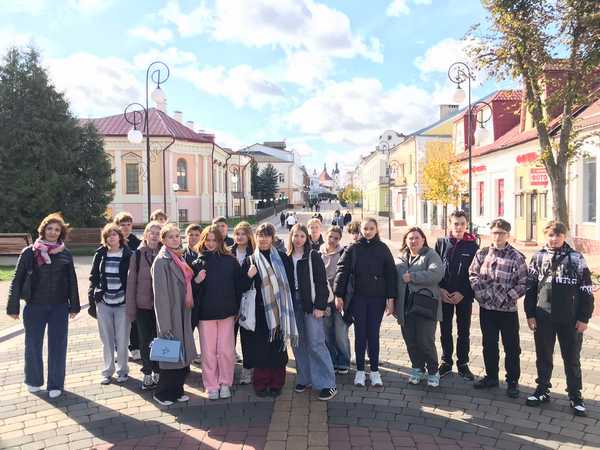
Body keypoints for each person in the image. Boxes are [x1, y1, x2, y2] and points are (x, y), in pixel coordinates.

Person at [524, 221, 594, 417]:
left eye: (558, 235)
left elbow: (587, 291)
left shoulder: (576, 258)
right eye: (550, 235)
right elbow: (530, 288)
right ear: (546, 236)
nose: (554, 239)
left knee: (572, 358)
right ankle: (542, 390)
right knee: (543, 356)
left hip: (570, 319)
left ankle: (575, 396)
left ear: (564, 236)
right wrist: (530, 314)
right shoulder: (538, 257)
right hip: (543, 316)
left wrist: (584, 318)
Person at [7, 213, 80, 399]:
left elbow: (72, 280)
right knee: (32, 344)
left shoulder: (65, 254)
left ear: (61, 232)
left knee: (58, 346)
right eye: (50, 228)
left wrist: (75, 306)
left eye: (57, 229)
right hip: (34, 306)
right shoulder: (29, 252)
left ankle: (55, 384)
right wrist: (13, 306)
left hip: (59, 307)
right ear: (43, 229)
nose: (53, 232)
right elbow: (17, 280)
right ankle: (33, 380)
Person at [333, 218, 397, 387]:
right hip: (358, 299)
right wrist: (338, 294)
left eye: (371, 228)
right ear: (360, 230)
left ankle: (375, 371)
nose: (368, 231)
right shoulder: (353, 248)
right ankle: (360, 371)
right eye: (365, 228)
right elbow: (342, 271)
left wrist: (391, 299)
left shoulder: (383, 248)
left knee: (373, 333)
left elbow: (391, 274)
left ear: (376, 230)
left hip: (377, 299)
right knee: (360, 334)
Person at [469, 218, 527, 398]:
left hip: (507, 311)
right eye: (495, 232)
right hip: (487, 309)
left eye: (501, 233)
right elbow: (473, 275)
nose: (498, 236)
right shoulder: (482, 253)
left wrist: (506, 297)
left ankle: (512, 381)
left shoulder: (516, 257)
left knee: (511, 347)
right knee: (489, 344)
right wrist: (483, 295)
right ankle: (492, 376)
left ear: (508, 235)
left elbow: (524, 283)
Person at [239, 223, 297, 397]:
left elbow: (290, 286)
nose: (263, 239)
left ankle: (277, 383)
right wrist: (248, 276)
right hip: (258, 313)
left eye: (267, 236)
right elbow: (240, 287)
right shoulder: (250, 260)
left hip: (279, 311)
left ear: (272, 238)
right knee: (261, 349)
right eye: (260, 235)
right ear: (255, 238)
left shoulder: (282, 258)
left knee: (278, 349)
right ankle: (261, 383)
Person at [191, 225, 241, 400]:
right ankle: (211, 385)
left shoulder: (230, 261)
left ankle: (225, 382)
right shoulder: (197, 263)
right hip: (205, 314)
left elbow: (238, 287)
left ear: (220, 241)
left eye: (214, 240)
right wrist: (196, 281)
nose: (211, 243)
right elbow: (190, 291)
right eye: (208, 240)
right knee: (208, 351)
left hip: (227, 312)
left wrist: (237, 309)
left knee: (226, 350)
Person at [288, 224, 337, 401]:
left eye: (302, 236)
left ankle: (327, 383)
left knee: (316, 342)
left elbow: (322, 282)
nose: (298, 239)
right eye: (296, 236)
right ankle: (305, 378)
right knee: (298, 342)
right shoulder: (286, 257)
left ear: (307, 238)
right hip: (293, 302)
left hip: (311, 303)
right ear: (291, 237)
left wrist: (320, 306)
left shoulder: (313, 256)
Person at [151, 223, 197, 406]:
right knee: (170, 356)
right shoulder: (162, 261)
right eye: (170, 236)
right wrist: (165, 325)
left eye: (177, 236)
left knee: (181, 355)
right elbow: (160, 296)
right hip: (170, 313)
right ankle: (162, 393)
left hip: (182, 310)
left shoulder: (178, 256)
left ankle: (177, 390)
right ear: (163, 240)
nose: (175, 239)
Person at [395, 227, 444, 387]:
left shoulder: (430, 255)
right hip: (405, 307)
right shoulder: (402, 257)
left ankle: (433, 370)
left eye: (417, 238)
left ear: (423, 239)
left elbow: (437, 274)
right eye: (410, 238)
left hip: (425, 307)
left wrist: (413, 277)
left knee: (425, 340)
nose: (413, 241)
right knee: (410, 340)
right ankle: (417, 368)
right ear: (406, 241)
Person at [435, 210, 479, 380]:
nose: (459, 227)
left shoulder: (473, 246)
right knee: (445, 329)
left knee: (463, 330)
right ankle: (446, 361)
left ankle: (463, 363)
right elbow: (435, 268)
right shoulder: (441, 243)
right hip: (444, 294)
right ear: (450, 224)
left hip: (463, 296)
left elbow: (475, 274)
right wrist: (440, 289)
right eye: (456, 224)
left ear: (466, 225)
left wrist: (464, 292)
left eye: (462, 224)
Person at [89, 223, 132, 385]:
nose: (111, 237)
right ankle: (107, 371)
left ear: (120, 237)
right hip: (104, 302)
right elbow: (93, 277)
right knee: (106, 339)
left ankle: (122, 370)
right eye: (108, 235)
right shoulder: (100, 254)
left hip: (122, 302)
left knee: (122, 339)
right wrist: (93, 299)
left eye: (114, 234)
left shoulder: (129, 254)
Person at [125, 221, 162, 391]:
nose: (154, 235)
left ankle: (158, 370)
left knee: (160, 340)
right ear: (146, 234)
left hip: (161, 306)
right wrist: (131, 308)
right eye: (151, 232)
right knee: (145, 340)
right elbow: (131, 282)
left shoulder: (166, 252)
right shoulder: (138, 254)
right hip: (143, 306)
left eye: (158, 232)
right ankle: (147, 372)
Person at [320, 226, 351, 375]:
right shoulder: (318, 253)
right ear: (326, 235)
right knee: (327, 332)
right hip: (324, 299)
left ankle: (343, 360)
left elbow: (345, 276)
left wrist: (341, 296)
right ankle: (331, 359)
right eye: (330, 237)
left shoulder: (343, 253)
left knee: (340, 332)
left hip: (339, 298)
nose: (332, 240)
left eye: (336, 238)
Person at [231, 221, 256, 385]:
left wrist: (247, 278)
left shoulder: (254, 254)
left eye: (243, 234)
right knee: (229, 338)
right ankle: (229, 369)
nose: (240, 237)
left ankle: (248, 370)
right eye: (237, 234)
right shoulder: (228, 253)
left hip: (248, 301)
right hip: (230, 301)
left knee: (248, 338)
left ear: (249, 236)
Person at [114, 211, 142, 361]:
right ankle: (119, 348)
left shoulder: (137, 243)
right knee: (118, 321)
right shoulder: (113, 241)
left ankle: (135, 346)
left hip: (133, 287)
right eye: (122, 224)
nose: (125, 227)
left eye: (128, 224)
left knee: (133, 319)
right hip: (116, 287)